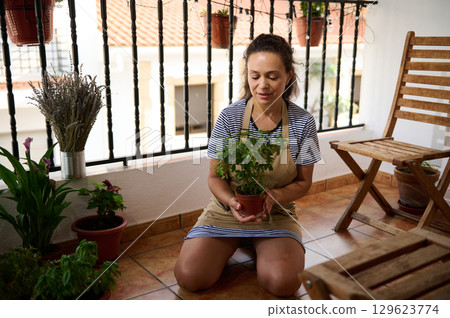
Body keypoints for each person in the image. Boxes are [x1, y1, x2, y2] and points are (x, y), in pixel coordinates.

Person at [174, 34, 321, 297]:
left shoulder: (303, 122)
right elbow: (214, 177)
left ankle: (258, 241)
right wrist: (232, 201)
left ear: (288, 76)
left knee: (283, 283)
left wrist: (274, 197)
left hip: (276, 213)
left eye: (272, 77)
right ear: (247, 76)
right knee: (190, 277)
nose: (262, 85)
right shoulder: (229, 117)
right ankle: (242, 239)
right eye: (255, 76)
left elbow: (303, 182)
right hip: (226, 210)